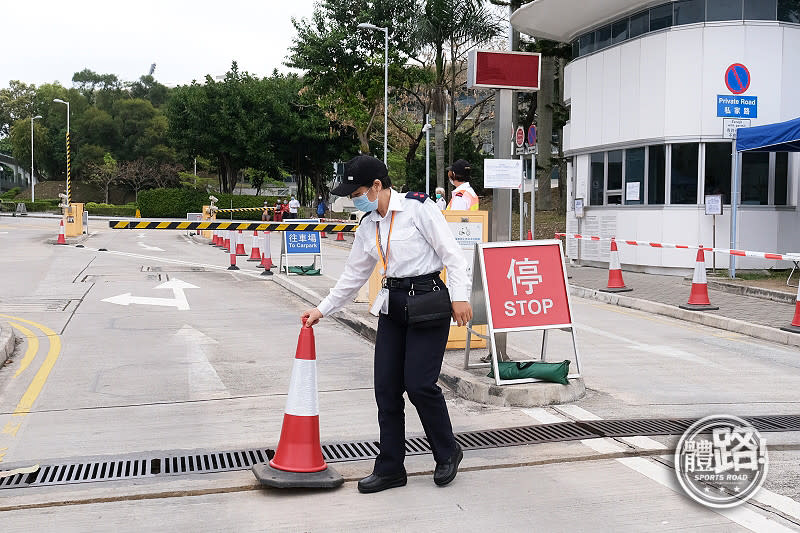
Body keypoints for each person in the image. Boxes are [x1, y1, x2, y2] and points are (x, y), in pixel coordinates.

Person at [303, 154, 472, 494]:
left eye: (357, 193)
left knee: (420, 384)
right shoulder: (369, 225)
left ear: (377, 186)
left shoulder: (418, 208)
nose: (355, 200)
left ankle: (447, 450)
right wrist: (322, 309)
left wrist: (460, 296)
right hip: (393, 305)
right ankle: (391, 467)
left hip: (427, 300)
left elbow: (452, 254)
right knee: (386, 390)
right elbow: (353, 276)